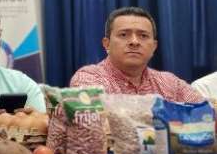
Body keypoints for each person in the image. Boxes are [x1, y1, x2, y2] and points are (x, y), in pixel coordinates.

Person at [70, 7, 203, 103]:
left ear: (154, 47)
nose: (134, 42)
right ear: (106, 44)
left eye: (143, 36)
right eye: (123, 35)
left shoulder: (169, 82)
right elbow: (98, 129)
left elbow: (205, 112)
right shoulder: (88, 79)